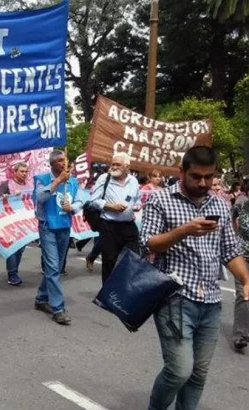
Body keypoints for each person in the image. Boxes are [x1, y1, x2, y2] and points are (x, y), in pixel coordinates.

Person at [140, 146, 249, 409]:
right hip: (175, 299)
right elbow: (148, 243)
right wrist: (184, 230)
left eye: (208, 177)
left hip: (211, 302)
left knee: (198, 374)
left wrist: (246, 281)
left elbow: (230, 251)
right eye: (196, 177)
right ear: (182, 173)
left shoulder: (221, 206)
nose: (203, 183)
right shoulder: (160, 200)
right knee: (179, 371)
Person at [33, 150, 83, 325]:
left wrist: (73, 207)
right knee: (54, 267)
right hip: (47, 227)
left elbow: (79, 201)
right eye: (60, 160)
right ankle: (58, 308)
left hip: (65, 227)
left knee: (56, 267)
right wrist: (58, 181)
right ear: (52, 163)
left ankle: (41, 299)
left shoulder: (73, 181)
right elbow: (40, 198)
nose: (64, 163)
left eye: (65, 160)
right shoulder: (42, 179)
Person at [89, 153, 141, 284]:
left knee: (132, 259)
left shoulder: (133, 181)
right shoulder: (104, 178)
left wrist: (136, 206)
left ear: (127, 167)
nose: (113, 167)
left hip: (129, 226)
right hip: (109, 227)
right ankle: (107, 296)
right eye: (113, 164)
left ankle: (124, 291)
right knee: (109, 262)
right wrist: (110, 206)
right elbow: (93, 201)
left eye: (118, 164)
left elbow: (137, 199)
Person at [0, 162, 30, 285]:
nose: (24, 174)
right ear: (14, 172)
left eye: (26, 171)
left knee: (20, 248)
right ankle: (12, 274)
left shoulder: (29, 185)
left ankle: (14, 271)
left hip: (24, 221)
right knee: (12, 248)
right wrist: (7, 196)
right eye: (22, 171)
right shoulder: (6, 184)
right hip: (9, 220)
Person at [232, 195, 249, 351]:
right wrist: (236, 237)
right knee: (243, 295)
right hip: (242, 258)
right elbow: (231, 219)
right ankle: (240, 336)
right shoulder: (241, 205)